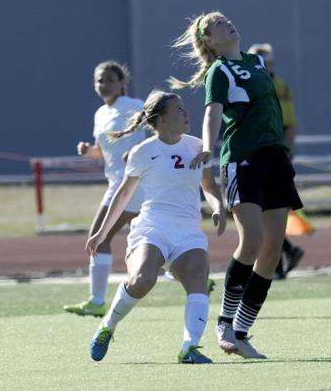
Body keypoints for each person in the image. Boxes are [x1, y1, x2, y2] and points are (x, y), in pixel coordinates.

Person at [169, 11, 303, 359]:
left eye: (226, 18)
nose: (227, 22)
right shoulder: (219, 70)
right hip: (242, 159)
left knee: (273, 252)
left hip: (275, 158)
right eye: (217, 23)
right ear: (210, 40)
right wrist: (209, 147)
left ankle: (241, 331)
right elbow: (213, 113)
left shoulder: (257, 61)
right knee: (253, 241)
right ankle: (224, 322)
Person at [86, 90, 226, 364]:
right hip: (153, 227)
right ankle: (107, 327)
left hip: (187, 230)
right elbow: (123, 195)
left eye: (184, 108)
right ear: (161, 120)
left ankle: (190, 347)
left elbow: (208, 185)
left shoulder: (197, 146)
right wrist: (102, 233)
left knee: (198, 276)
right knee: (142, 280)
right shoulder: (143, 152)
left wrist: (218, 206)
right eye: (178, 110)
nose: (186, 113)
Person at [63, 61, 145, 318]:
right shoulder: (100, 114)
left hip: (132, 183)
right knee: (147, 237)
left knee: (99, 238)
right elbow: (104, 153)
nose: (104, 84)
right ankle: (191, 275)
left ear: (122, 83)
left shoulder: (134, 106)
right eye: (99, 80)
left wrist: (140, 154)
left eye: (109, 79)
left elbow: (158, 130)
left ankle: (97, 301)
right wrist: (89, 151)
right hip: (117, 183)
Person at [247, 43, 304, 279]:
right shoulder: (248, 83)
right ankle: (285, 253)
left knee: (267, 211)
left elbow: (288, 124)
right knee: (261, 213)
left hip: (271, 154)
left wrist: (287, 153)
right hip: (254, 152)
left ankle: (278, 263)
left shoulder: (278, 87)